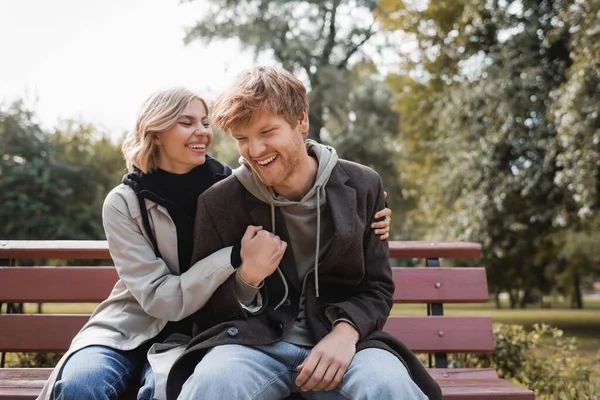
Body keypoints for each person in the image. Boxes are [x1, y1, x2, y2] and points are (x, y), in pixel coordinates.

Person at [37, 88, 392, 400]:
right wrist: (236, 258)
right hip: (130, 325)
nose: (202, 132)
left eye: (205, 122)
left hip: (191, 334)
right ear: (156, 131)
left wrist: (365, 208)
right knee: (81, 386)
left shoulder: (232, 187)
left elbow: (304, 174)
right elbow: (161, 297)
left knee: (160, 391)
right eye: (186, 122)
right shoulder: (125, 203)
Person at [166, 67, 442, 400]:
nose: (253, 150)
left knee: (389, 386)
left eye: (267, 131)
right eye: (242, 138)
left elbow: (377, 287)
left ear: (301, 120)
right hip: (252, 346)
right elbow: (208, 310)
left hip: (347, 347)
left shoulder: (363, 186)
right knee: (211, 383)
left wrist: (346, 332)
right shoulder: (219, 202)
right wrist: (247, 278)